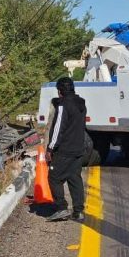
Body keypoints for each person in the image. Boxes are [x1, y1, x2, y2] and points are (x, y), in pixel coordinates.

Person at [45, 77, 87, 222]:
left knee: (54, 177)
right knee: (74, 178)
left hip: (65, 150)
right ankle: (79, 211)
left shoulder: (63, 105)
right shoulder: (81, 103)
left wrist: (50, 149)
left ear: (59, 90)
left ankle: (61, 208)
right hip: (79, 148)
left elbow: (58, 129)